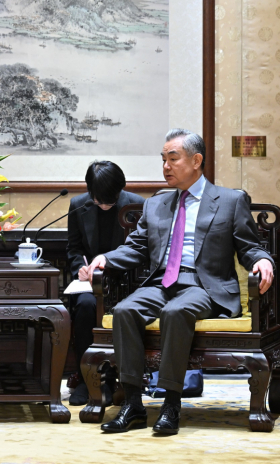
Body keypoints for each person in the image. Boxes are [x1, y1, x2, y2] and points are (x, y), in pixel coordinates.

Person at [81, 129, 275, 434]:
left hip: (204, 286)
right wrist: (106, 258)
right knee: (125, 311)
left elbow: (249, 247)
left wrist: (263, 260)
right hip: (161, 283)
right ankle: (133, 405)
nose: (166, 166)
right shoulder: (156, 203)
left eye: (173, 159)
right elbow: (137, 247)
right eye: (163, 159)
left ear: (196, 161)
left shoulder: (230, 200)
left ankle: (171, 404)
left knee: (175, 312)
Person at [66, 161, 144, 405]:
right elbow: (74, 248)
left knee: (123, 309)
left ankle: (111, 379)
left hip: (126, 281)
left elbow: (143, 251)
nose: (103, 205)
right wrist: (79, 268)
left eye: (109, 201)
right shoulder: (79, 205)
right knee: (86, 306)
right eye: (98, 200)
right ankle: (86, 378)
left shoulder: (137, 206)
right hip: (91, 283)